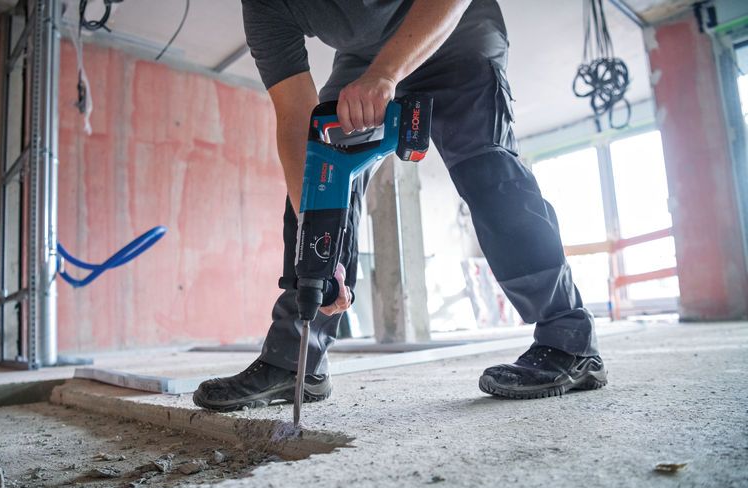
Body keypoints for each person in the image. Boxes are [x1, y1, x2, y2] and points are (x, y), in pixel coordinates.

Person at [193, 0, 607, 411]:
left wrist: (387, 73)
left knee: (487, 168)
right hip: (364, 58)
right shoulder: (265, 6)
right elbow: (293, 116)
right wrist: (317, 238)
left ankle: (568, 341)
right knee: (321, 168)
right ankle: (294, 362)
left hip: (454, 29)